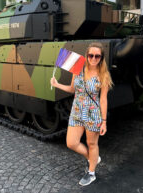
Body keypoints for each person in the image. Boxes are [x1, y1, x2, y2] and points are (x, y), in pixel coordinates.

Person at [50, 43, 113, 186]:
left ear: (101, 58)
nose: (94, 58)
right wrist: (57, 84)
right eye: (91, 55)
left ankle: (91, 173)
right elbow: (73, 89)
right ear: (87, 55)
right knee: (71, 143)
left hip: (93, 113)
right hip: (77, 111)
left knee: (92, 143)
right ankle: (93, 159)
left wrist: (104, 121)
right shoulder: (78, 70)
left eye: (97, 56)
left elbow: (103, 99)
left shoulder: (103, 75)